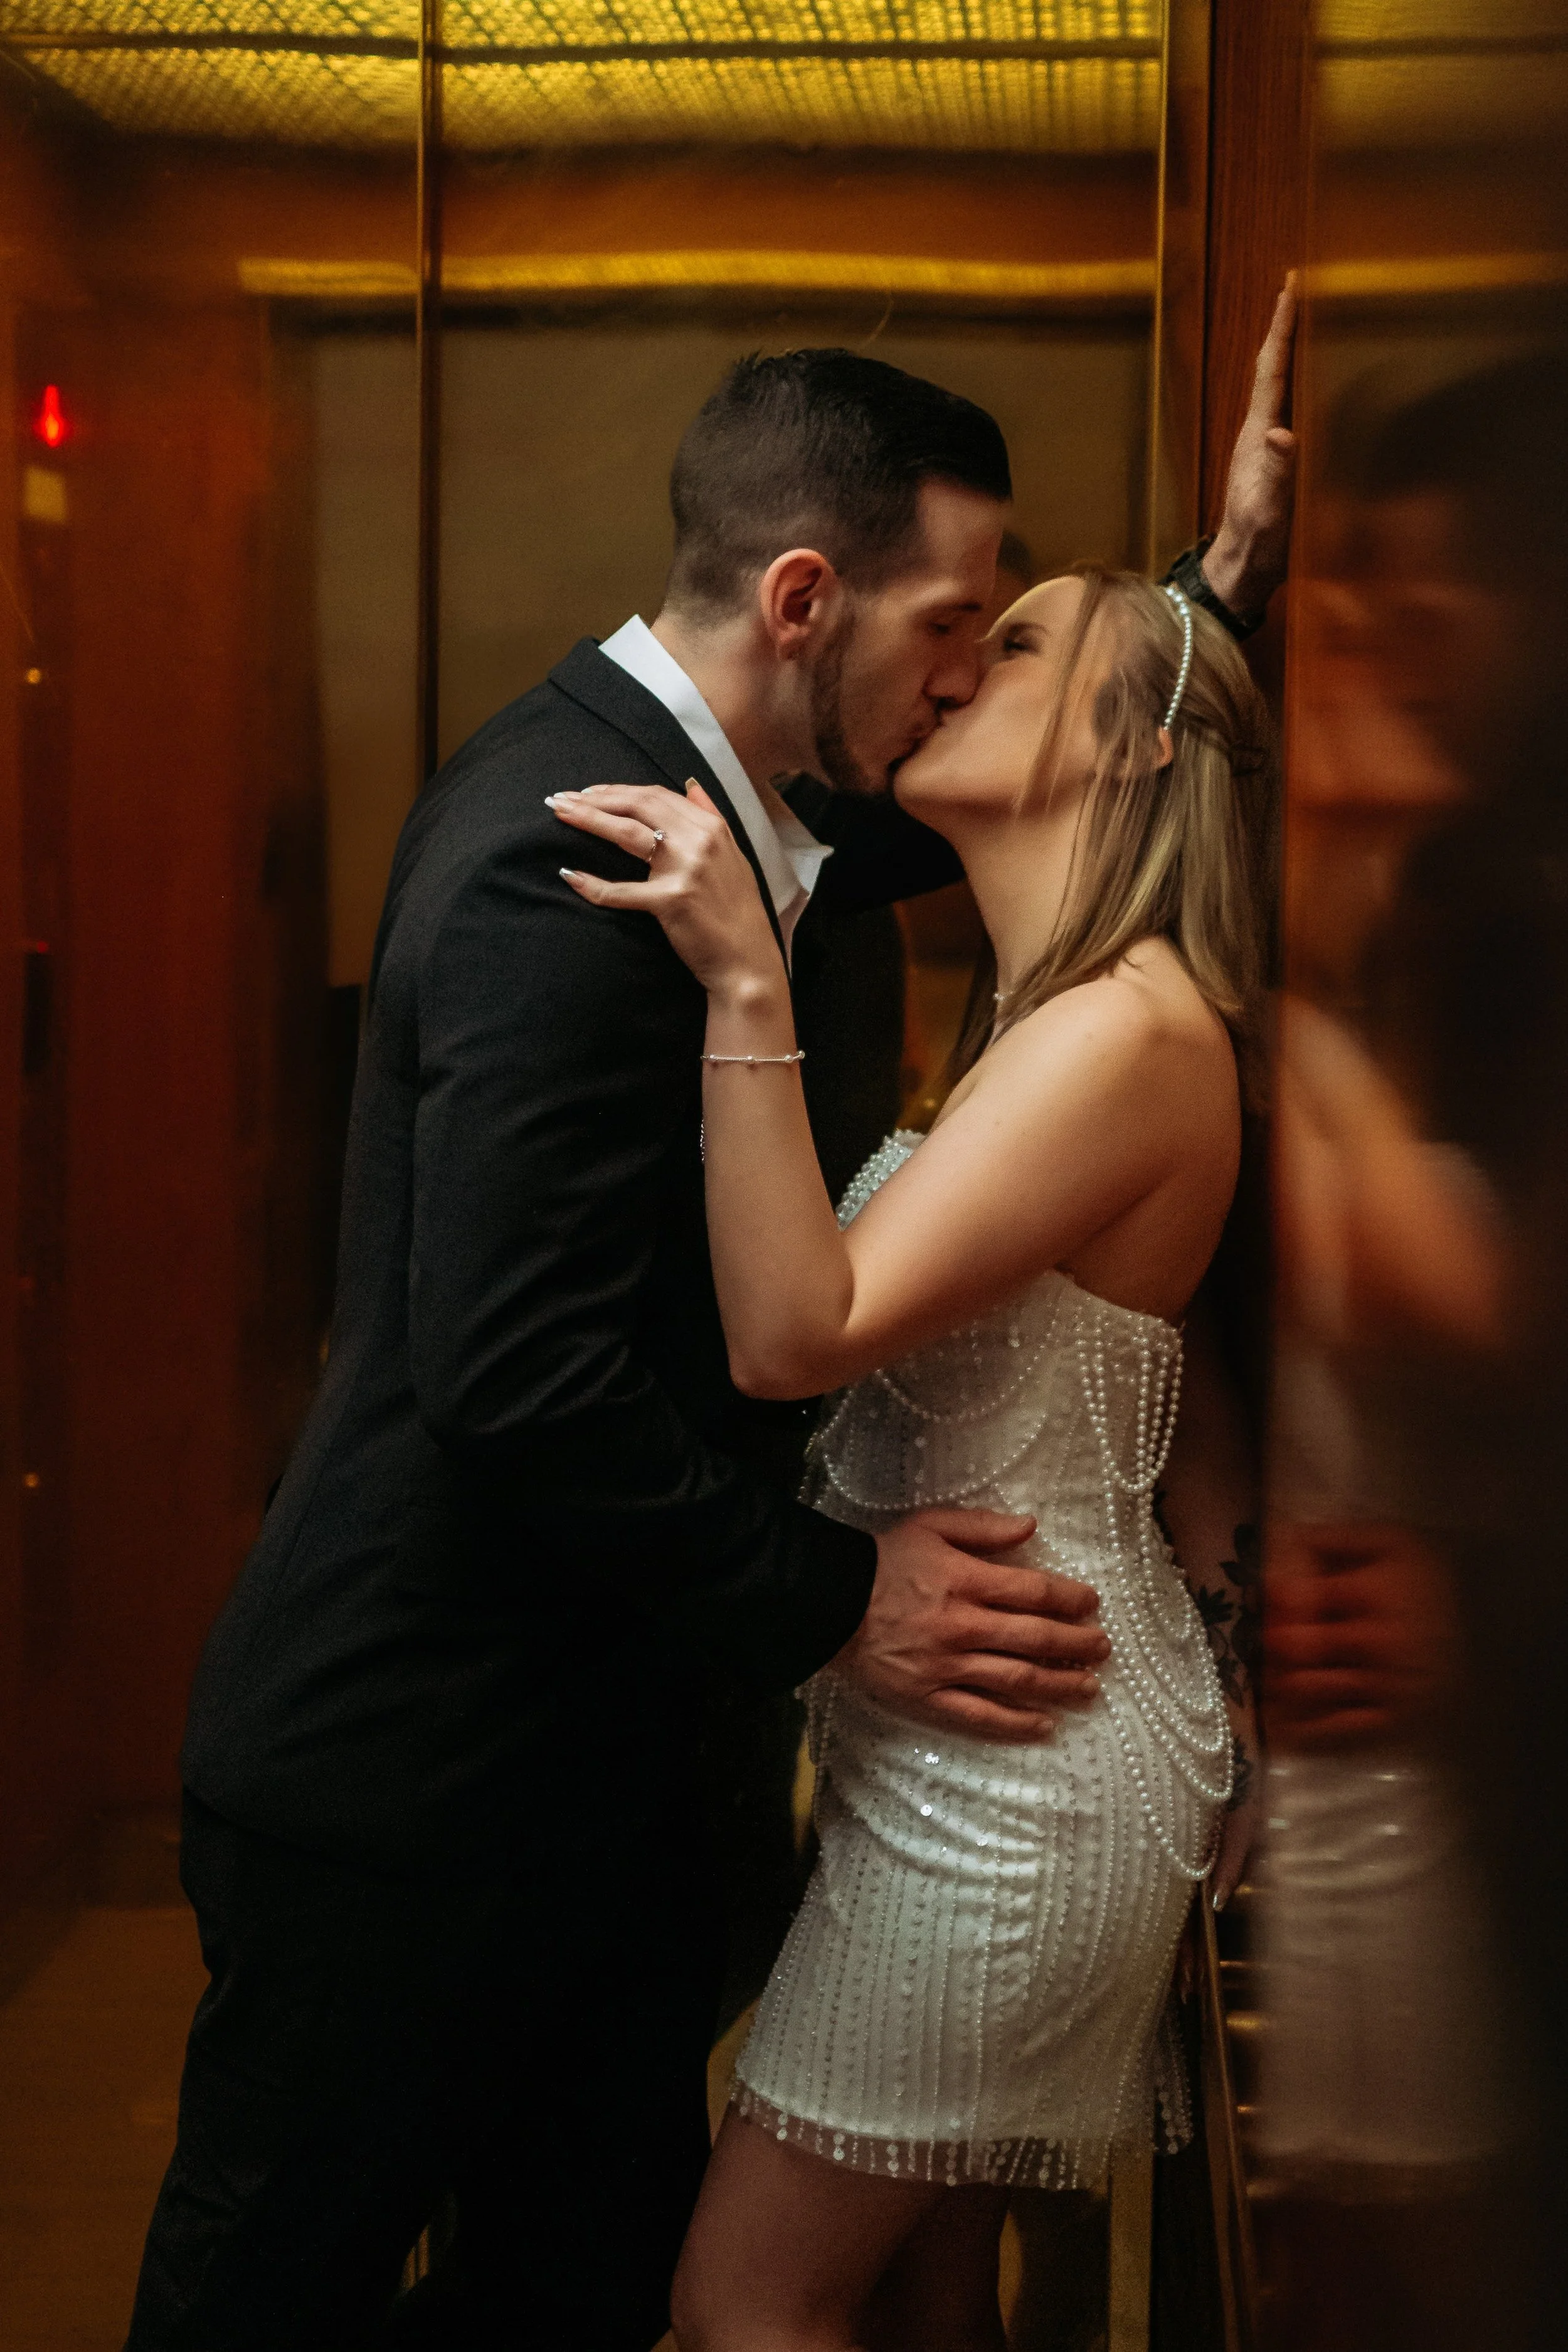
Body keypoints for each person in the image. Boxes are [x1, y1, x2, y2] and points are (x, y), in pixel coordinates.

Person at [127, 311, 1294, 2352]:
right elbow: (515, 1376)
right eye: (957, 623)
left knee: (582, 2295)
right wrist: (834, 1598)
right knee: (276, 2302)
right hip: (421, 1776)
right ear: (800, 597)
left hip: (628, 1785)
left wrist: (1206, 599)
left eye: (1005, 645)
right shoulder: (564, 848)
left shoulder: (772, 840)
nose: (962, 669)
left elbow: (1087, 783)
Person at [550, 556, 1276, 2350]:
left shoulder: (1120, 1031)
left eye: (1011, 642)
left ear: (1125, 745)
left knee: (744, 2301)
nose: (955, 668)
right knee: (916, 2295)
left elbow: (793, 1333)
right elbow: (1161, 1357)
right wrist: (1238, 1655)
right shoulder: (1059, 1018)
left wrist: (741, 982)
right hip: (987, 1730)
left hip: (1013, 1781)